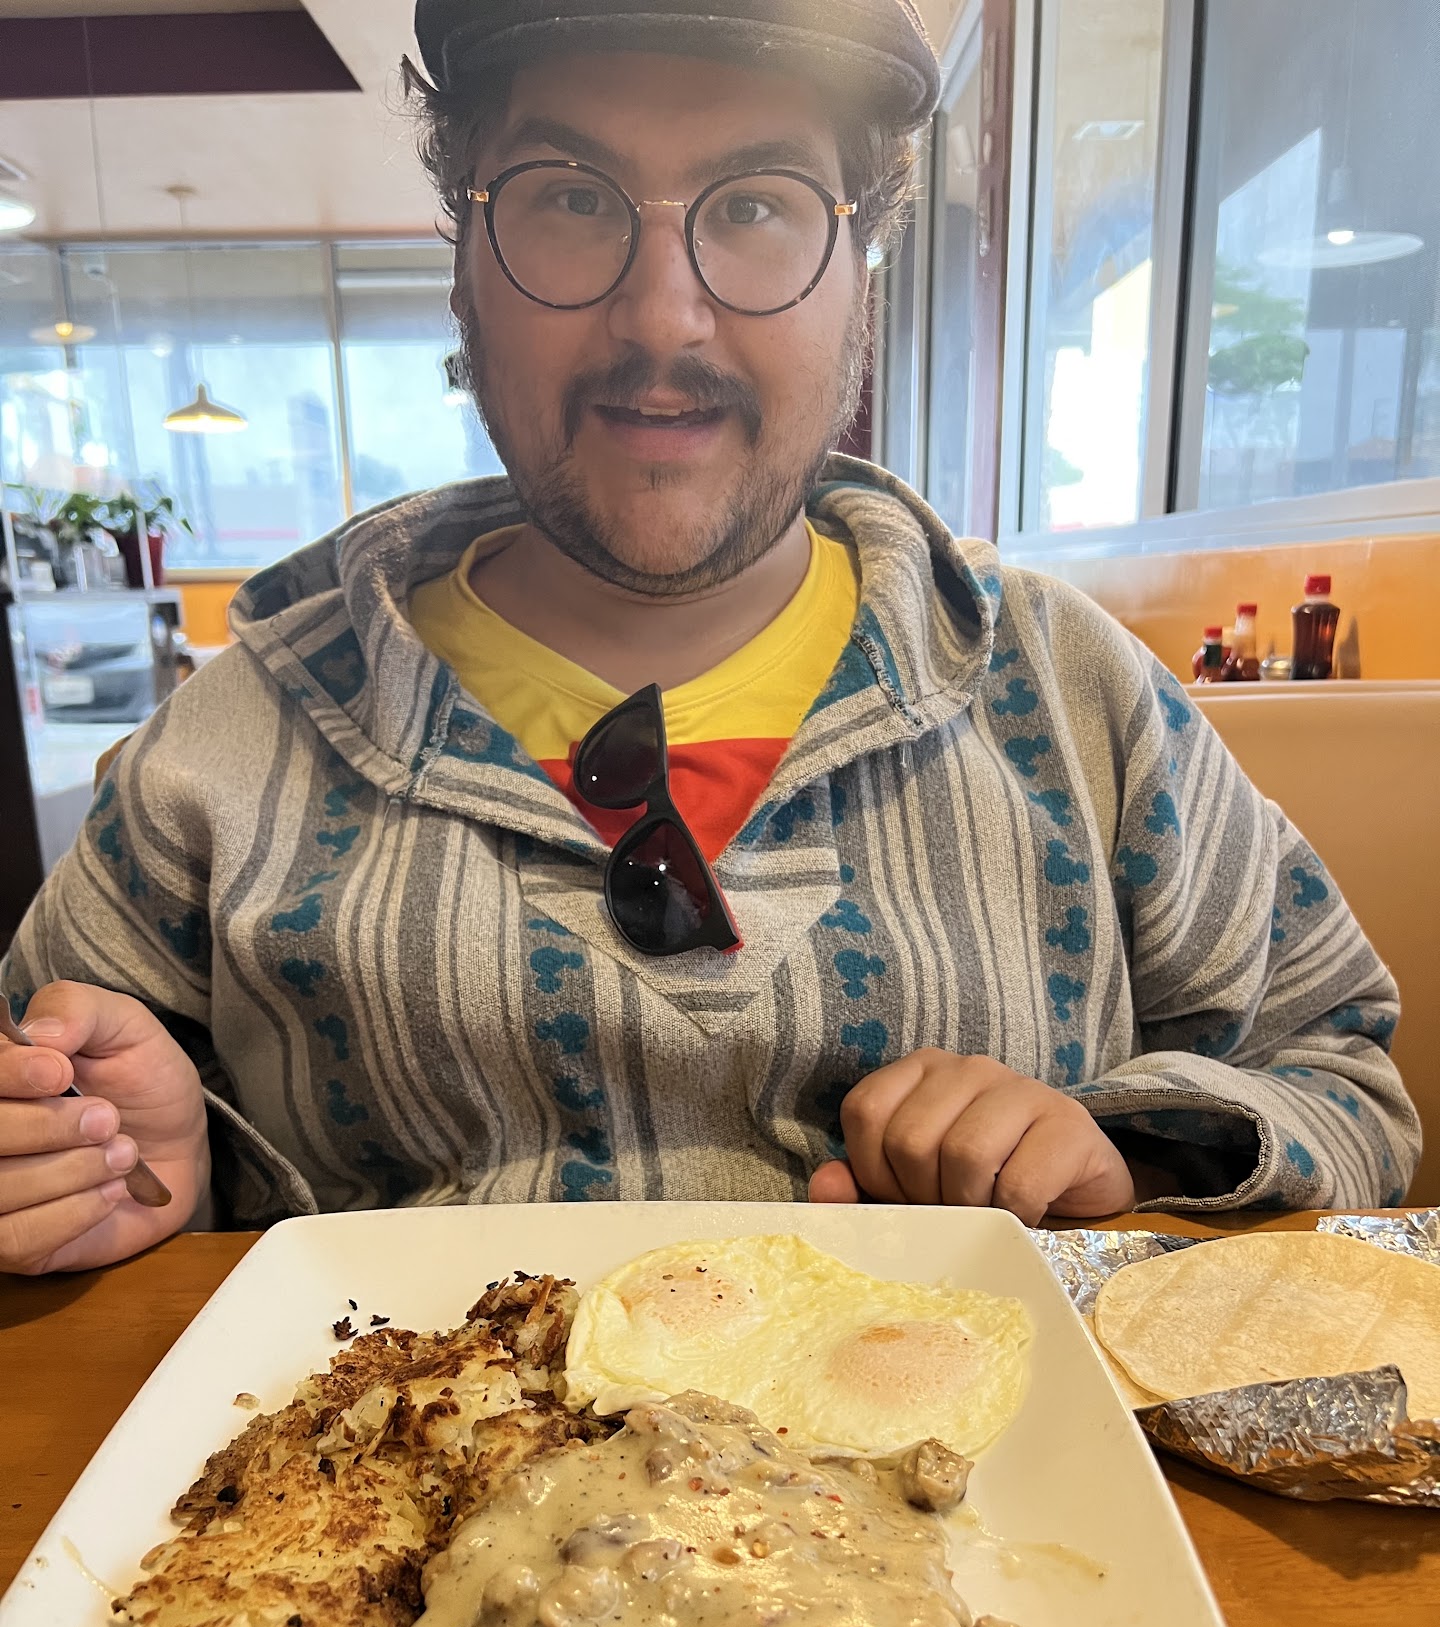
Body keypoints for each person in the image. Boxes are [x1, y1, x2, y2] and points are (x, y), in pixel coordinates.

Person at [0, 0, 1419, 1277]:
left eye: (755, 206)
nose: (662, 316)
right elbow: (50, 1128)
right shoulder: (222, 750)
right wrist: (133, 1176)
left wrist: (1129, 1150)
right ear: (463, 266)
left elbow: (1346, 1081)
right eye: (571, 198)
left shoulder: (1073, 695)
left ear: (860, 267)